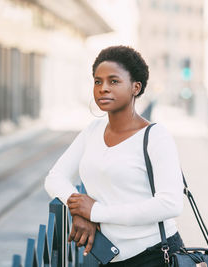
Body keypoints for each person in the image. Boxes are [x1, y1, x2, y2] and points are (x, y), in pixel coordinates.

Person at [44, 45, 184, 267]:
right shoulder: (92, 131)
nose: (103, 88)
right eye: (98, 81)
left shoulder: (156, 136)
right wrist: (81, 211)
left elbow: (171, 204)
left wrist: (97, 212)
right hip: (108, 257)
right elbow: (55, 178)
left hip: (155, 255)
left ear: (135, 87)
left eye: (114, 81)